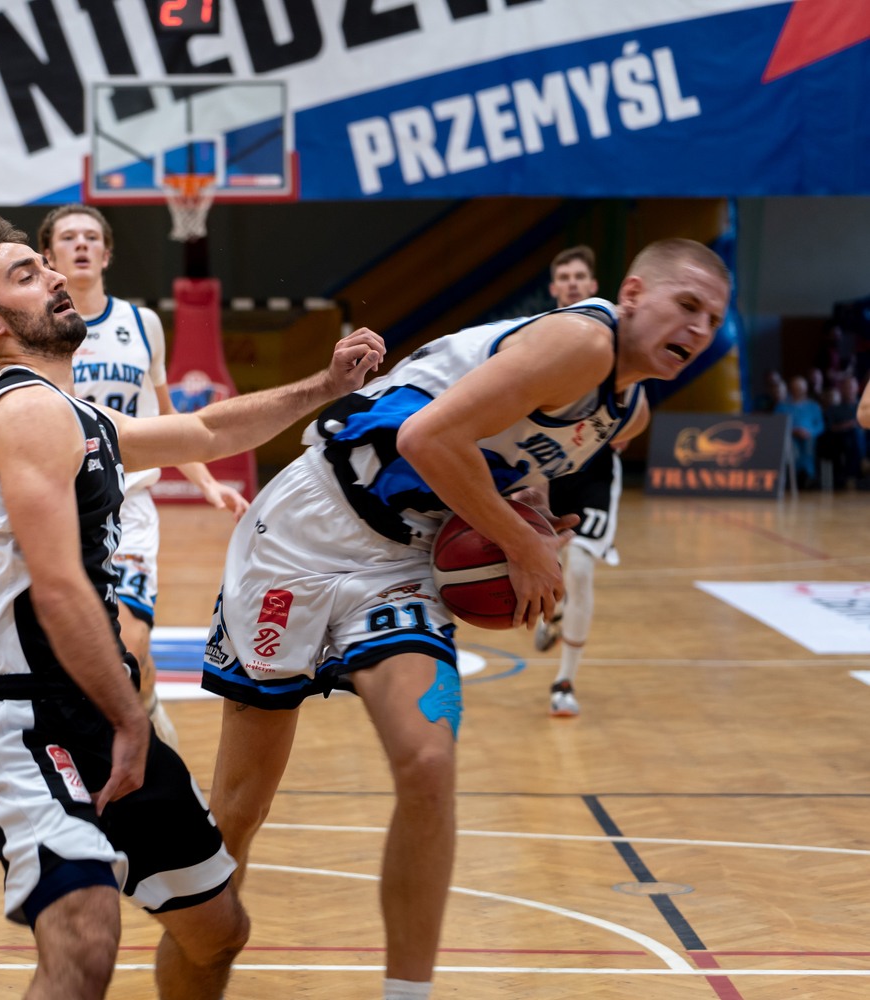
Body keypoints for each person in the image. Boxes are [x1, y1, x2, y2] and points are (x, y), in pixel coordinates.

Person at [203, 239, 728, 1000]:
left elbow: (520, 470)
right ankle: (201, 957)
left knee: (430, 764)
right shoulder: (582, 342)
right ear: (636, 294)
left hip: (407, 559)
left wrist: (534, 520)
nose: (699, 328)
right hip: (309, 528)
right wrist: (521, 544)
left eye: (713, 318)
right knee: (240, 809)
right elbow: (425, 437)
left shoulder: (629, 412)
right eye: (687, 305)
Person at [0, 216, 385, 1000]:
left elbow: (202, 429)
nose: (54, 275)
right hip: (29, 717)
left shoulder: (79, 415)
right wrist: (132, 720)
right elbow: (58, 587)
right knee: (84, 936)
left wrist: (324, 387)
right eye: (26, 275)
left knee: (218, 930)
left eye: (44, 264)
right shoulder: (25, 410)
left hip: (94, 710)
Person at [39, 204, 250, 749]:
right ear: (48, 255)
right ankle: (133, 717)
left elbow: (166, 419)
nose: (81, 244)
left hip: (127, 506)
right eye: (69, 236)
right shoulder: (36, 329)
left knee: (130, 644)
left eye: (92, 237)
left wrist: (206, 482)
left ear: (107, 254)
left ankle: (142, 730)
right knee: (68, 648)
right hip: (58, 507)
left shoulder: (142, 324)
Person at [533, 246, 649, 717]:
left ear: (593, 285)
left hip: (595, 471)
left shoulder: (617, 335)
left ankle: (564, 681)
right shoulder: (539, 334)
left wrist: (621, 425)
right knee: (541, 561)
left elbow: (634, 406)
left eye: (580, 275)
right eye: (565, 277)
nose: (573, 283)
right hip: (544, 466)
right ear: (554, 288)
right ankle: (554, 611)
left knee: (580, 568)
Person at [776, 375, 824, 486]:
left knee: (808, 443)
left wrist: (809, 432)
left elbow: (820, 425)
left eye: (801, 388)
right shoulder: (782, 406)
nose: (799, 391)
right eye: (796, 388)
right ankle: (796, 476)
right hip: (789, 437)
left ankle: (807, 475)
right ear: (791, 389)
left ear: (805, 389)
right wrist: (792, 431)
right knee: (792, 447)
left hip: (809, 437)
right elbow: (777, 425)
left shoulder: (813, 406)